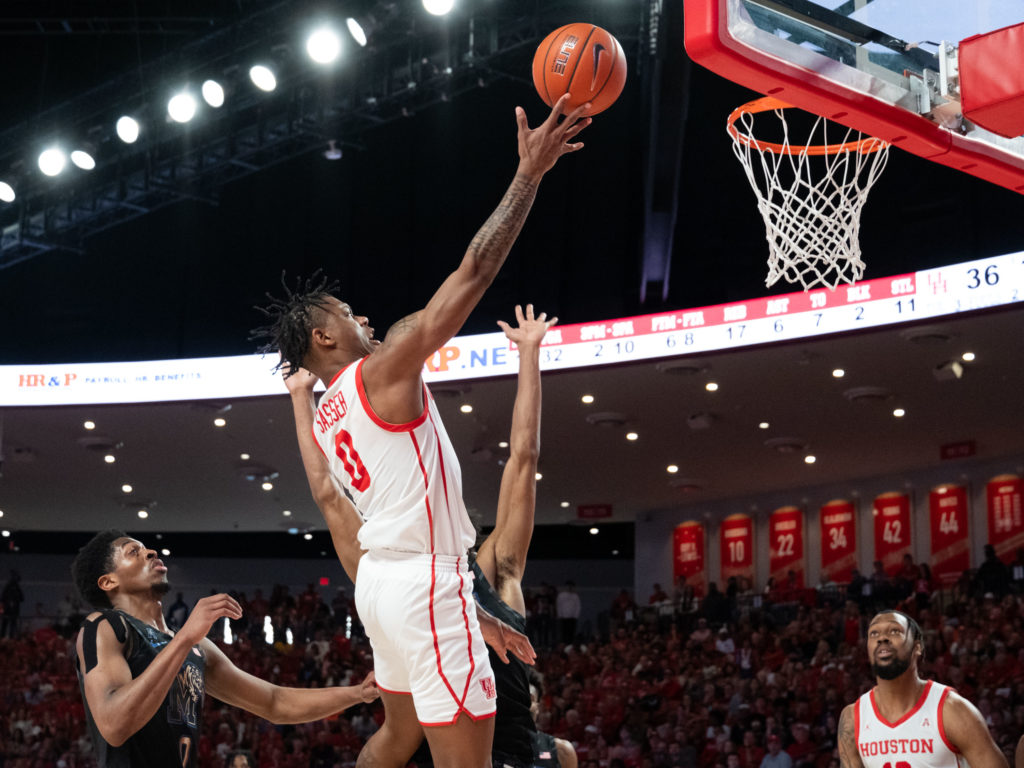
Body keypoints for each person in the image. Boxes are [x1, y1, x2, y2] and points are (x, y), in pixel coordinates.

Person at [257, 91, 590, 768]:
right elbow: (475, 271)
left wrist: (475, 608)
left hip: (385, 584)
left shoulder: (328, 413)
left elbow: (327, 495)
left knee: (398, 737)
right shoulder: (380, 372)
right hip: (426, 583)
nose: (364, 319)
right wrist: (528, 176)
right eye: (348, 312)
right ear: (325, 335)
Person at [286, 305, 575, 768]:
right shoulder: (426, 566)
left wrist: (529, 354)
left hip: (503, 745)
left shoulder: (492, 575)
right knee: (402, 735)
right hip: (452, 742)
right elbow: (521, 456)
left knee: (398, 734)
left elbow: (524, 457)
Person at [69, 530, 379, 767]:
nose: (150, 551)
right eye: (133, 552)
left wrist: (357, 693)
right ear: (108, 582)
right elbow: (113, 725)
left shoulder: (194, 644)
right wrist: (184, 639)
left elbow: (275, 702)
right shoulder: (105, 626)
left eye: (146, 548)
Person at [837, 609, 1007, 768]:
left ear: (917, 647)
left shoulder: (952, 709)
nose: (882, 638)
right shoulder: (852, 718)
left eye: (894, 631)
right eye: (874, 633)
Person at [1, 569, 25, 638]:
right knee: (5, 624)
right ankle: (2, 637)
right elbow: (2, 599)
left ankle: (11, 637)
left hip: (14, 611)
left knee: (12, 625)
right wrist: (1, 611)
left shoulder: (17, 588)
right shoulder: (8, 587)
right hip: (7, 610)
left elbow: (22, 598)